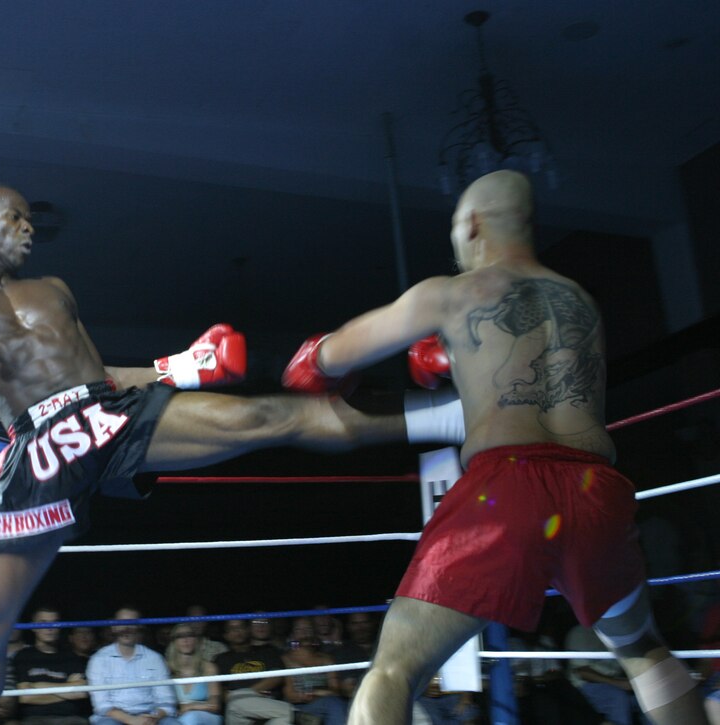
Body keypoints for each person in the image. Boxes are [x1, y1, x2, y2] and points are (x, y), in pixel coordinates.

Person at [0, 183, 461, 725]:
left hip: (105, 416)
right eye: (13, 217)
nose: (26, 229)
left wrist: (180, 367)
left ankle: (450, 413)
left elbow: (99, 376)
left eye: (28, 218)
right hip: (40, 449)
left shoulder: (54, 289)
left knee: (270, 414)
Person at [282, 169, 707, 724]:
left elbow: (330, 358)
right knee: (644, 652)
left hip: (506, 490)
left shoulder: (454, 292)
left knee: (393, 668)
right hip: (596, 490)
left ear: (472, 223)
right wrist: (458, 362)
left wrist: (313, 359)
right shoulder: (580, 301)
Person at [84, 607, 178, 725]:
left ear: (139, 627)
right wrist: (132, 720)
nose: (126, 628)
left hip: (150, 715)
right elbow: (101, 705)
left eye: (131, 623)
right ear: (113, 627)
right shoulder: (98, 659)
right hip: (113, 718)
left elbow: (166, 700)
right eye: (121, 623)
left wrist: (153, 717)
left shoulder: (155, 658)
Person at [12, 606, 91, 725]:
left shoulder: (71, 657)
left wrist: (37, 687)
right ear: (33, 627)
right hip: (34, 720)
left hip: (71, 719)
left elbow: (80, 692)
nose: (49, 628)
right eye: (43, 623)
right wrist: (67, 686)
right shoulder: (23, 656)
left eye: (54, 623)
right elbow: (25, 697)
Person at [212, 619, 291, 725]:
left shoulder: (267, 651)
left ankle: (292, 713)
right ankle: (295, 712)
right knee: (235, 702)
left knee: (283, 721)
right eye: (232, 629)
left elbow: (276, 677)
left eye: (241, 627)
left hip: (268, 705)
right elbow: (221, 692)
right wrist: (249, 695)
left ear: (248, 629)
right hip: (238, 711)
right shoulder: (221, 659)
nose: (238, 631)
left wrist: (247, 693)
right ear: (226, 635)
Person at [163, 625, 221, 725]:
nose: (186, 640)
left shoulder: (208, 667)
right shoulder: (166, 668)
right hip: (178, 715)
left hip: (206, 715)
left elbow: (215, 706)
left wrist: (190, 706)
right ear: (174, 641)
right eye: (180, 636)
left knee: (191, 718)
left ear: (196, 639)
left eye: (189, 635)